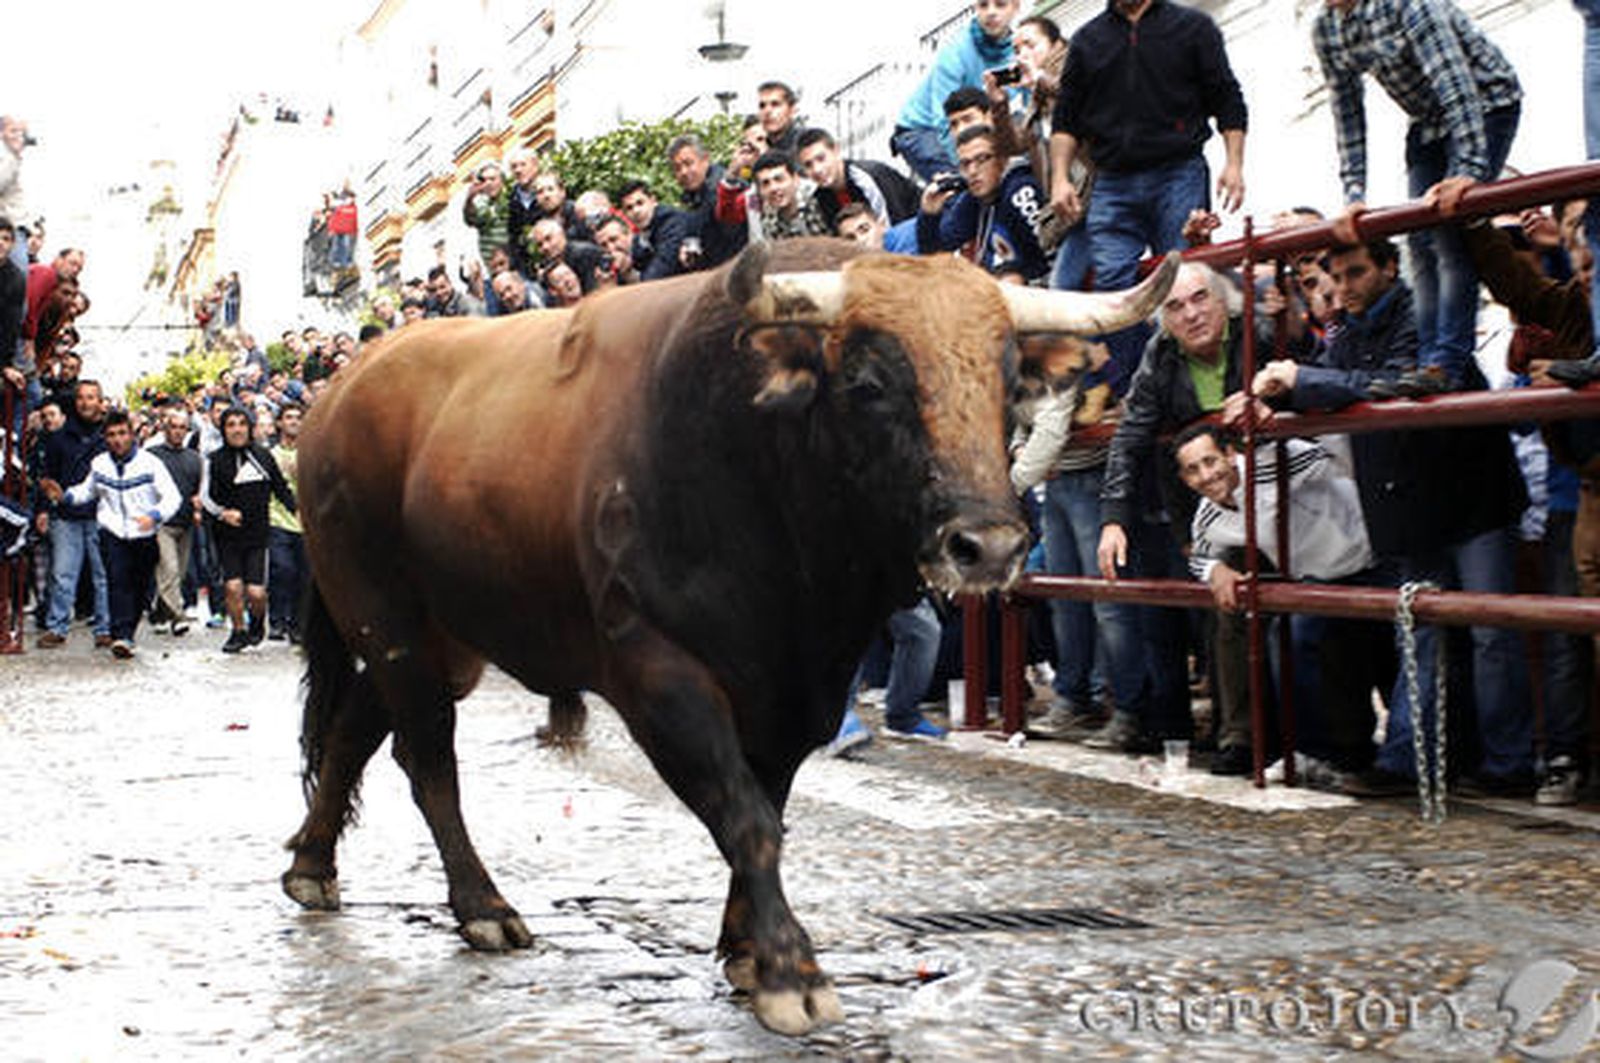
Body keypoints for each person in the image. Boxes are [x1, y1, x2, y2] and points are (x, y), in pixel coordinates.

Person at [1251, 237, 1533, 797]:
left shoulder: (1419, 313)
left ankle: (1509, 764)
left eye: (1357, 273)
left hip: (1470, 494)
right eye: (1339, 276)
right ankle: (1415, 760)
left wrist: (1299, 383)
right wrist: (1275, 398)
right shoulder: (1349, 329)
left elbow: (1389, 383)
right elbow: (1334, 382)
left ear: (1389, 267)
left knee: (1490, 633)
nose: (1346, 287)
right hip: (1412, 504)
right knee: (1423, 631)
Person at [1315, 0, 1521, 397]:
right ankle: (1426, 359)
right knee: (1417, 238)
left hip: (1488, 103)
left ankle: (1447, 362)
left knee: (1448, 231)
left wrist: (1468, 170)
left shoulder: (1410, 5)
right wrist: (1354, 193)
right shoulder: (1327, 28)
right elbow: (1347, 113)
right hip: (1427, 122)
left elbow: (1457, 86)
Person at [1094, 263, 1261, 754]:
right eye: (1174, 306)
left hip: (1276, 495)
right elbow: (1129, 436)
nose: (1191, 314)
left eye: (1200, 299)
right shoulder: (1160, 354)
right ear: (1162, 321)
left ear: (1222, 299)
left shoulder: (1261, 333)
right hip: (1207, 502)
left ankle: (1272, 736)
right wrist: (1113, 519)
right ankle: (1232, 737)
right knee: (1210, 611)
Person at [1050, 0, 1248, 395]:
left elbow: (1227, 97)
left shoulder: (1193, 27)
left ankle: (1199, 394)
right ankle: (1136, 393)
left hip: (1179, 169)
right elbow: (1065, 119)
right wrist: (1059, 179)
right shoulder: (1087, 42)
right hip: (1113, 179)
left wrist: (1234, 164)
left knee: (1182, 283)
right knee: (1112, 287)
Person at [1175, 424, 1378, 777]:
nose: (1205, 476)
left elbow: (1337, 456)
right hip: (1316, 580)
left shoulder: (1272, 463)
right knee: (1289, 641)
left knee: (1389, 660)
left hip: (1370, 557)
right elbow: (1199, 555)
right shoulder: (1208, 512)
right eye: (1192, 469)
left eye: (1210, 461)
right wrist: (1216, 571)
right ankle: (1311, 749)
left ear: (1228, 453)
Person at [39, 409, 180, 658]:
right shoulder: (100, 464)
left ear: (132, 435)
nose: (117, 439)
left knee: (139, 587)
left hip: (144, 534)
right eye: (112, 434)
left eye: (122, 433)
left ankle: (128, 630)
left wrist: (155, 515)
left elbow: (172, 497)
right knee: (117, 581)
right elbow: (87, 491)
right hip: (112, 531)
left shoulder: (150, 464)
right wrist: (64, 496)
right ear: (105, 438)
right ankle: (121, 635)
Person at [202, 407, 296, 653]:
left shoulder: (263, 456)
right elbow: (205, 497)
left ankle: (257, 622)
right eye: (231, 424)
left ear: (250, 428)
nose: (237, 429)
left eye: (241, 424)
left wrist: (297, 510)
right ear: (223, 430)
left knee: (256, 593)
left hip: (258, 535)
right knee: (232, 587)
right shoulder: (214, 460)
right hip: (227, 536)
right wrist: (223, 513)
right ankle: (238, 631)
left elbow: (280, 488)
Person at [893, 0, 1021, 181]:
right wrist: (967, 168)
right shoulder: (954, 53)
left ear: (1016, 7)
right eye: (983, 5)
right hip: (923, 129)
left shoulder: (1019, 52)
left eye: (1000, 4)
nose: (991, 12)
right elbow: (944, 123)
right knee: (961, 182)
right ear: (975, 8)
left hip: (976, 120)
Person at [918, 125, 1051, 282]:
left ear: (1002, 160)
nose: (973, 171)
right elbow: (936, 255)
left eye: (982, 160)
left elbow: (1048, 255)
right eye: (965, 164)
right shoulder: (974, 198)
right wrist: (929, 214)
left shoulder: (1019, 192)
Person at [37, 380, 110, 649]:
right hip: (67, 516)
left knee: (104, 576)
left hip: (102, 516)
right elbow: (47, 478)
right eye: (81, 397)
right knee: (63, 574)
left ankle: (105, 628)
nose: (85, 402)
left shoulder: (109, 436)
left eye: (91, 397)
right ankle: (57, 626)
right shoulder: (59, 438)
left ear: (100, 401)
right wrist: (45, 508)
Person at [146, 406, 203, 636]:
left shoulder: (194, 458)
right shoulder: (152, 455)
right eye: (174, 427)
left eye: (183, 428)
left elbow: (199, 489)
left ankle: (160, 612)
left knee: (178, 573)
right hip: (162, 524)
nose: (178, 432)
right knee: (168, 569)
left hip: (186, 523)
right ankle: (178, 616)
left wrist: (198, 507)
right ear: (164, 428)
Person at [795, 128, 920, 233]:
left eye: (821, 159)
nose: (817, 169)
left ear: (836, 151)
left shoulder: (867, 176)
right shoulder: (819, 199)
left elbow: (892, 227)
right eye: (808, 165)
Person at [667, 133, 747, 269]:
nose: (684, 172)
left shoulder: (722, 188)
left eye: (688, 163)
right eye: (677, 168)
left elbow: (731, 235)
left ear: (705, 160)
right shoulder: (691, 197)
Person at [719, 152, 832, 243]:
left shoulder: (821, 201)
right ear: (759, 191)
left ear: (796, 180)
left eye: (779, 179)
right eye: (766, 183)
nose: (773, 188)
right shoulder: (767, 221)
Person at [267, 403, 305, 643]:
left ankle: (297, 624)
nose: (293, 421)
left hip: (305, 523)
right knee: (282, 570)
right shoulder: (270, 454)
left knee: (304, 575)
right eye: (288, 417)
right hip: (277, 519)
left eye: (297, 417)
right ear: (279, 422)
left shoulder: (310, 453)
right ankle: (277, 621)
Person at [617, 180, 690, 282]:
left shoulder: (672, 222)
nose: (636, 211)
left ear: (653, 201)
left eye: (640, 203)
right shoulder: (640, 236)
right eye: (629, 208)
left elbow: (662, 267)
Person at [530, 218, 608, 294]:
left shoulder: (584, 254)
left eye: (548, 238)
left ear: (562, 234)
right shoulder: (549, 266)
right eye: (540, 245)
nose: (545, 247)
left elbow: (593, 291)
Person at [462, 162, 511, 264]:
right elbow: (471, 219)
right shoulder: (481, 203)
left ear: (502, 181)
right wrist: (470, 198)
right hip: (496, 265)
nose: (488, 183)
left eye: (492, 179)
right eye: (484, 180)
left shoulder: (511, 198)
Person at [755, 80, 806, 158]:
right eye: (762, 106)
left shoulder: (806, 143)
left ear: (792, 110)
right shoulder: (757, 146)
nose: (767, 111)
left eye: (775, 104)